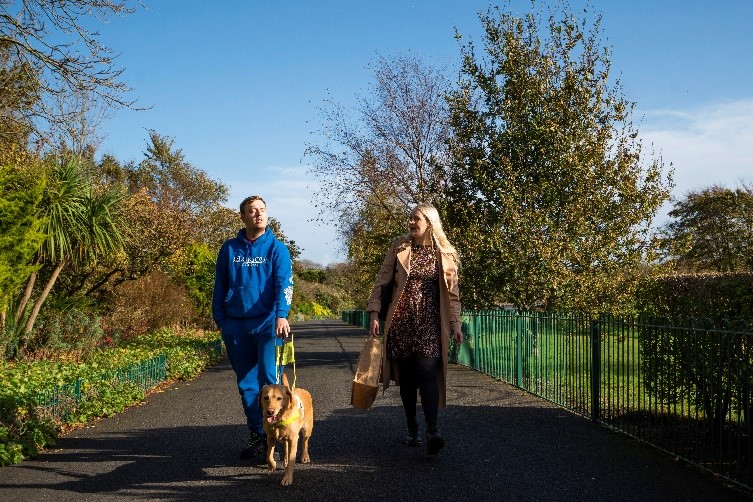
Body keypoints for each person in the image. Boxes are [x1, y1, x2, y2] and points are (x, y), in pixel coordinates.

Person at [366, 202, 462, 455]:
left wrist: (455, 324)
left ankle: (433, 431)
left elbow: (452, 295)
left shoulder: (446, 253)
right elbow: (382, 279)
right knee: (407, 378)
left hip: (431, 322)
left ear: (430, 223)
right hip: (401, 320)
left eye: (416, 219)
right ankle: (412, 428)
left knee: (427, 372)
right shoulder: (399, 247)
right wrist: (375, 312)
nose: (411, 223)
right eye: (410, 218)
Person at [212, 195, 294, 460]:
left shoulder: (277, 249)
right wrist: (221, 320)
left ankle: (277, 434)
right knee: (247, 384)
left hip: (268, 324)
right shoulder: (229, 249)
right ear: (243, 217)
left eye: (262, 210)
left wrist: (281, 315)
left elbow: (284, 285)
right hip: (236, 326)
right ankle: (258, 434)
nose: (258, 214)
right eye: (252, 211)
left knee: (270, 381)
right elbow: (220, 286)